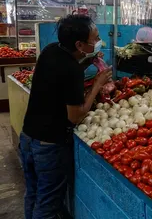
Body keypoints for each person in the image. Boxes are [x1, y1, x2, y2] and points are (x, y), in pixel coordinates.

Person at [19, 15, 112, 219]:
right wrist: (97, 84)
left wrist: (88, 61)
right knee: (48, 204)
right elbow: (75, 116)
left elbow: (62, 75)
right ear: (79, 44)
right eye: (94, 39)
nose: (98, 42)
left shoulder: (52, 50)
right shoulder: (71, 70)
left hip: (28, 137)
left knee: (33, 194)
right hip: (49, 146)